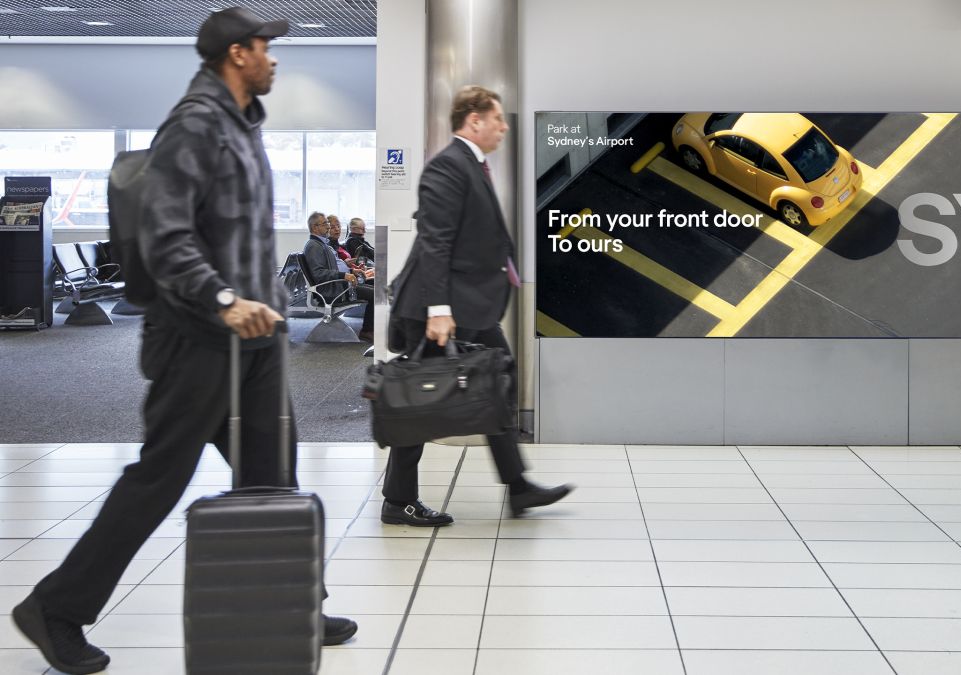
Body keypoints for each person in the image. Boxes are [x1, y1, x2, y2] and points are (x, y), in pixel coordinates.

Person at [10, 9, 357, 674]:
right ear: (237, 54)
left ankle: (296, 603)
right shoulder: (194, 125)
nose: (274, 58)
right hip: (198, 336)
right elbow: (165, 238)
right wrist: (224, 299)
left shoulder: (243, 124)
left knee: (273, 476)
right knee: (159, 478)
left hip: (254, 339)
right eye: (265, 46)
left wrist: (265, 304)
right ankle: (54, 608)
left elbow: (242, 236)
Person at [383, 85, 572, 526]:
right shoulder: (448, 166)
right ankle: (397, 501)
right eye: (497, 118)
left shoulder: (471, 165)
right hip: (438, 309)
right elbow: (436, 242)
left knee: (497, 383)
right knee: (419, 402)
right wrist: (438, 310)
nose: (504, 127)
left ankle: (519, 487)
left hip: (470, 307)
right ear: (474, 121)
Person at [303, 211, 374, 341]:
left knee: (375, 289)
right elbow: (318, 273)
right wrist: (344, 275)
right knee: (375, 294)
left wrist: (352, 271)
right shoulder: (314, 246)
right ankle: (367, 331)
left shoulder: (321, 244)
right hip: (333, 291)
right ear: (314, 227)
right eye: (325, 223)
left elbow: (331, 268)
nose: (328, 226)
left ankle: (370, 328)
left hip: (337, 286)